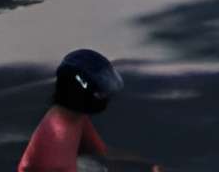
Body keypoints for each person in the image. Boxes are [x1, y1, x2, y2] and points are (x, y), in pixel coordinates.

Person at [18, 48, 162, 171]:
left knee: (91, 163)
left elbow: (102, 152)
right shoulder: (57, 147)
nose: (105, 99)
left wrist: (146, 165)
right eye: (101, 94)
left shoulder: (73, 116)